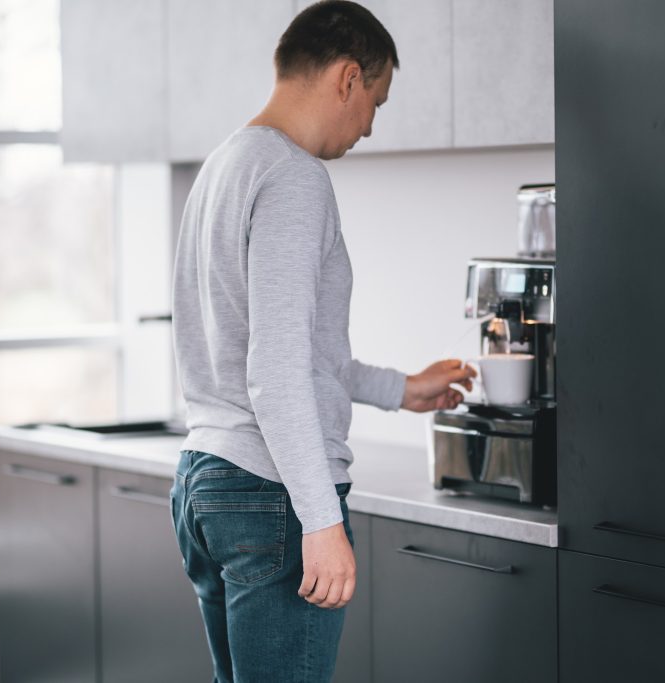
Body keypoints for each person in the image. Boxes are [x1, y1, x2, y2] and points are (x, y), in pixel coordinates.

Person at [169, 2, 475, 681]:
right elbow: (274, 372)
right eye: (376, 101)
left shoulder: (223, 166)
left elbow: (304, 356)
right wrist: (320, 521)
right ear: (347, 78)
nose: (369, 125)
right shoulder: (294, 177)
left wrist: (402, 388)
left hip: (206, 481)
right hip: (270, 489)